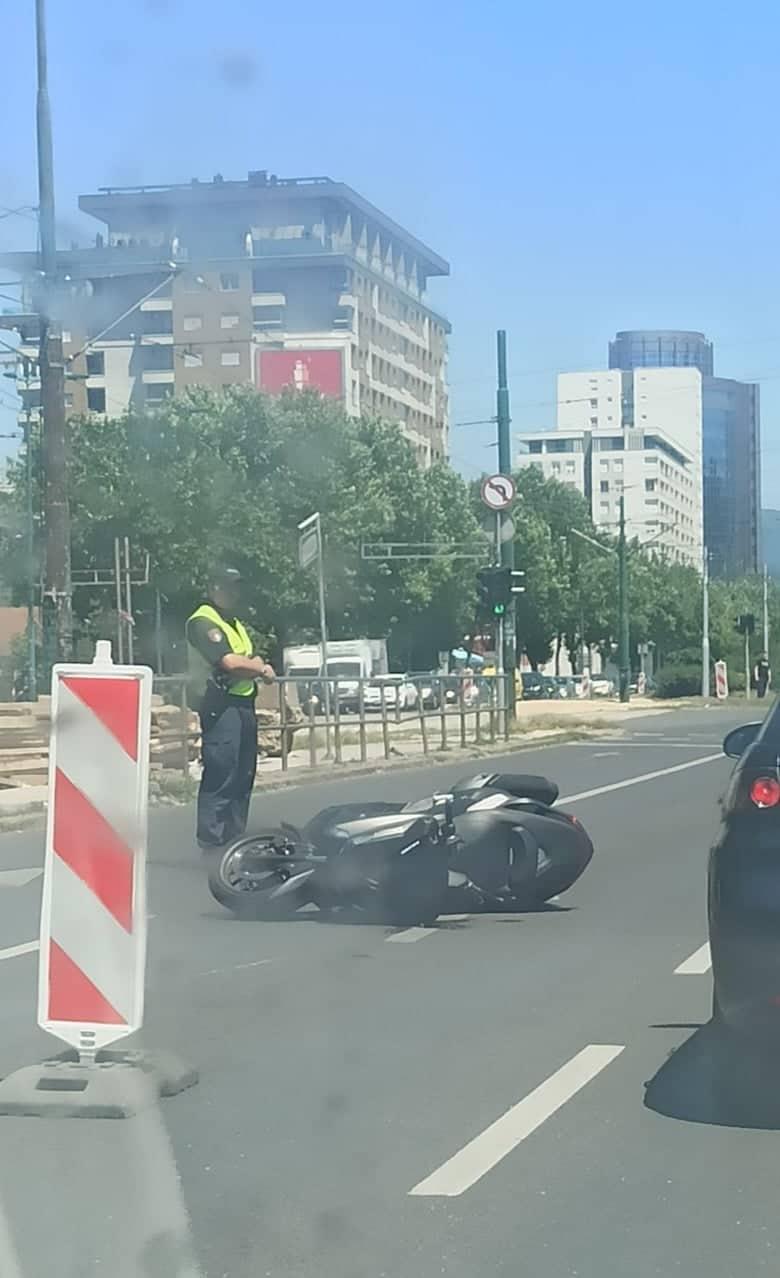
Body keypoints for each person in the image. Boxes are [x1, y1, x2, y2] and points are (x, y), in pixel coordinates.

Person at [186, 567, 274, 851]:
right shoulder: (203, 621)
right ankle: (212, 843)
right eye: (227, 587)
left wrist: (254, 664)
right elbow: (230, 662)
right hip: (220, 705)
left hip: (242, 704)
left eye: (236, 587)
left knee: (242, 774)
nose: (233, 593)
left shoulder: (233, 622)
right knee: (222, 772)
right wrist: (259, 668)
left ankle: (235, 842)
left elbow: (246, 656)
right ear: (213, 588)